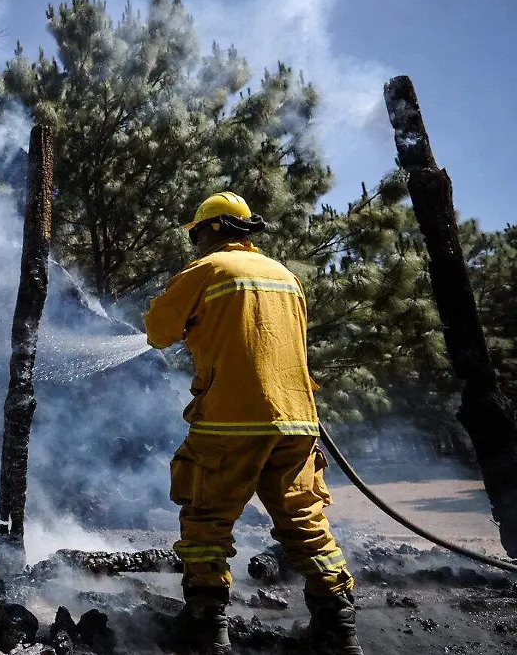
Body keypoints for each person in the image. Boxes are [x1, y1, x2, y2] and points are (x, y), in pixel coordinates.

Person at [144, 192, 362, 655]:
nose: (194, 244)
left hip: (230, 420)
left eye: (196, 234)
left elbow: (158, 333)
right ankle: (338, 626)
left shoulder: (207, 269)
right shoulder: (286, 276)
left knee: (207, 519)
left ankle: (206, 625)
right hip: (298, 420)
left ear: (213, 230)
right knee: (304, 520)